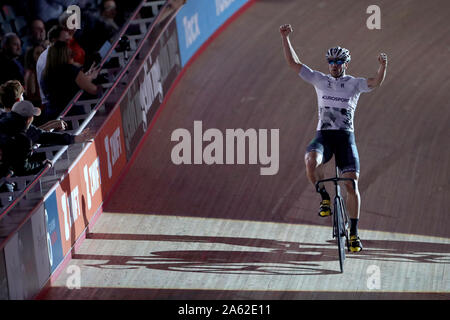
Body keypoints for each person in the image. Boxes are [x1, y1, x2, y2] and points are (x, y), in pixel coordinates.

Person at [279, 24, 387, 252]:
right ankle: (324, 197)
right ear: (328, 64)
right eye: (331, 62)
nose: (335, 66)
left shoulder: (354, 84)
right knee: (310, 161)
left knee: (351, 183)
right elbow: (293, 64)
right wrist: (285, 38)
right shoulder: (319, 79)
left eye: (339, 63)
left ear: (345, 64)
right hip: (325, 137)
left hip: (346, 139)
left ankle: (354, 233)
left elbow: (376, 83)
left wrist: (382, 66)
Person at [42, 40, 99, 121]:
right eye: (70, 54)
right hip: (73, 117)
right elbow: (93, 89)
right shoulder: (70, 70)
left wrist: (88, 77)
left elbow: (67, 85)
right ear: (65, 55)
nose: (73, 56)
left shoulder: (45, 73)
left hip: (53, 118)